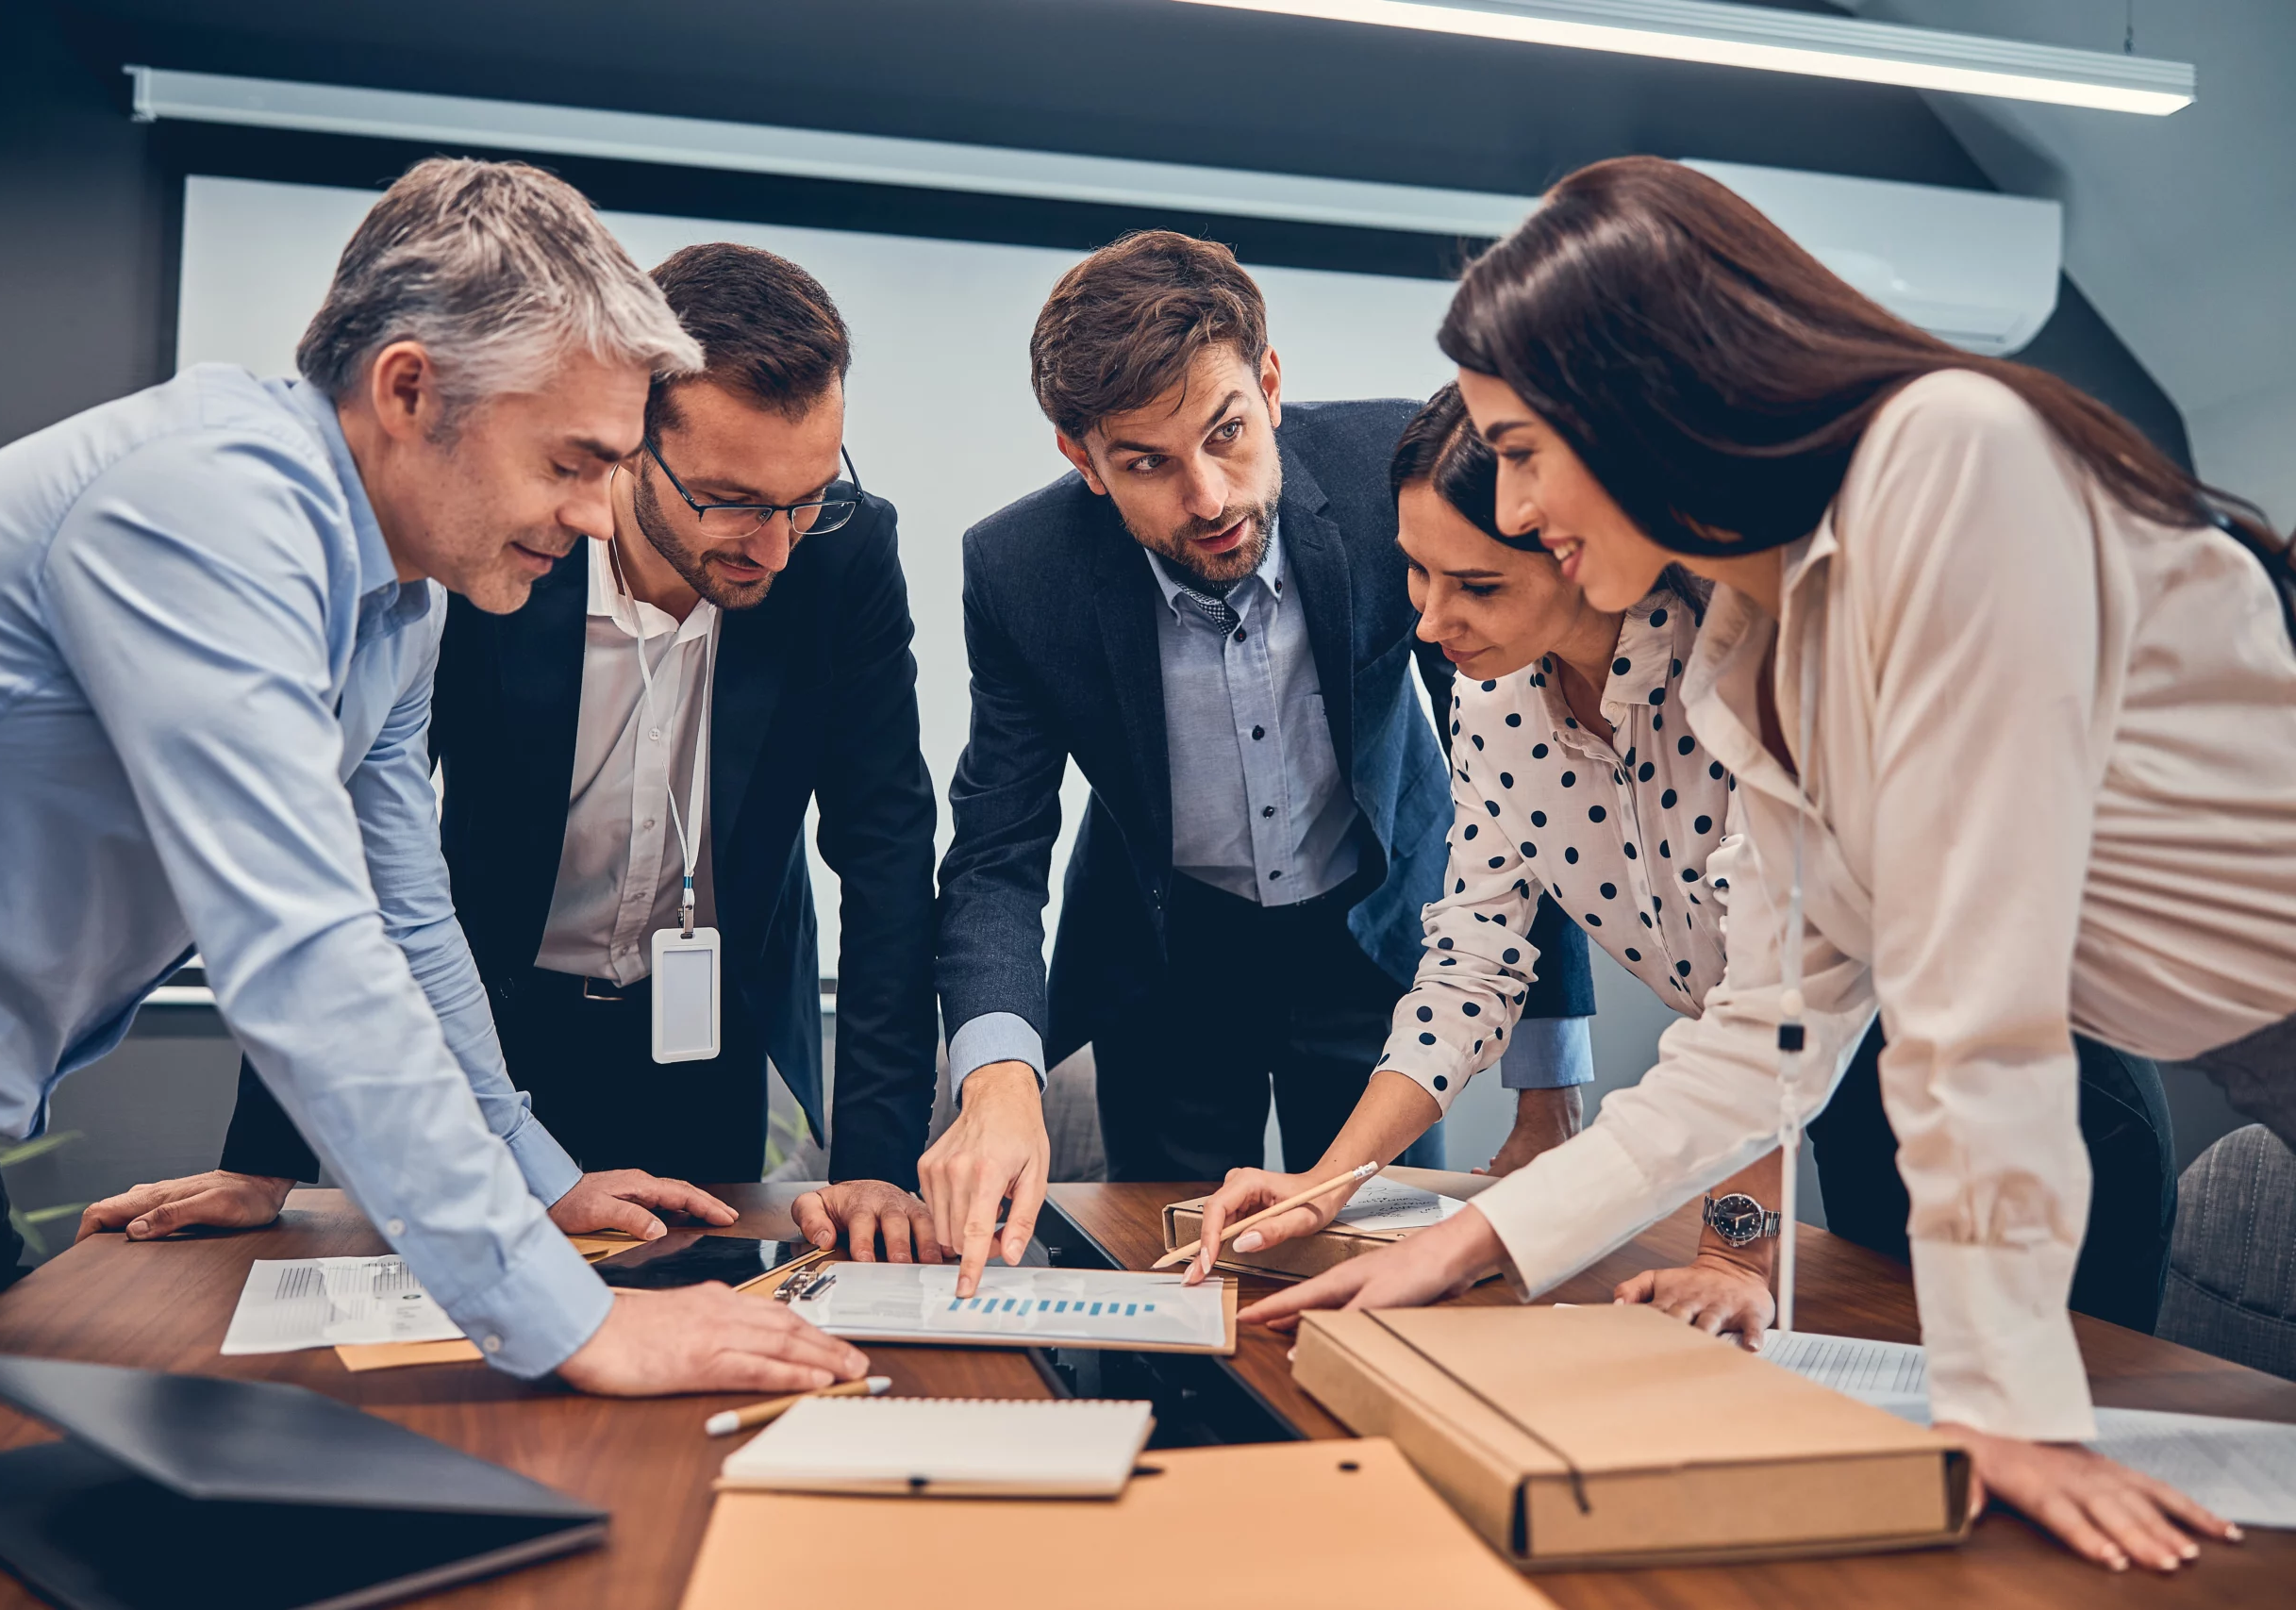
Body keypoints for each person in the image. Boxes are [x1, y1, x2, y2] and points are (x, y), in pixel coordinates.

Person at [1242, 156, 2296, 1573]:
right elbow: (1771, 1032)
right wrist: (1475, 1231)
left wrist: (2010, 1403)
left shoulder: (1948, 461)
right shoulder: (1757, 644)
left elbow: (1972, 1005)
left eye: (1522, 445)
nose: (1513, 495)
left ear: (1639, 396)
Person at [0, 158, 868, 1397]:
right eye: (569, 462)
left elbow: (407, 918)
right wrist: (578, 1325)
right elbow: (301, 948)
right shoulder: (208, 511)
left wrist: (535, 1174)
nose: (598, 518)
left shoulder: (397, 605)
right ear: (410, 388)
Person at [1190, 387, 2181, 1348]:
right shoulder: (1491, 707)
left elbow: (1770, 1007)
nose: (1429, 622)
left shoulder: (1754, 674)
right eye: (1416, 572)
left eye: (1478, 585)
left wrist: (1733, 1254)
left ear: (1584, 555)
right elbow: (1469, 972)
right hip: (1821, 1106)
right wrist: (1324, 1185)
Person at [82, 243, 944, 1265]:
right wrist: (263, 1163)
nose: (775, 546)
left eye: (805, 497)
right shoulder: (498, 550)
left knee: (695, 1322)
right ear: (629, 441)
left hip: (705, 1032)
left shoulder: (839, 554)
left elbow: (885, 846)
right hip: (496, 1021)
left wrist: (879, 1168)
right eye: (733, 501)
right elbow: (361, 851)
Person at [923, 231, 1595, 1296]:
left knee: (1381, 1280)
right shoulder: (1020, 572)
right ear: (1080, 459)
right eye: (1145, 462)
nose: (1207, 498)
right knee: (1167, 1290)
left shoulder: (1394, 484)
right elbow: (996, 857)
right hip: (1168, 965)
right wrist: (996, 1078)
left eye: (1226, 434)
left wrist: (1547, 1081)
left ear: (1269, 386)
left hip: (1379, 939)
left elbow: (1533, 776)